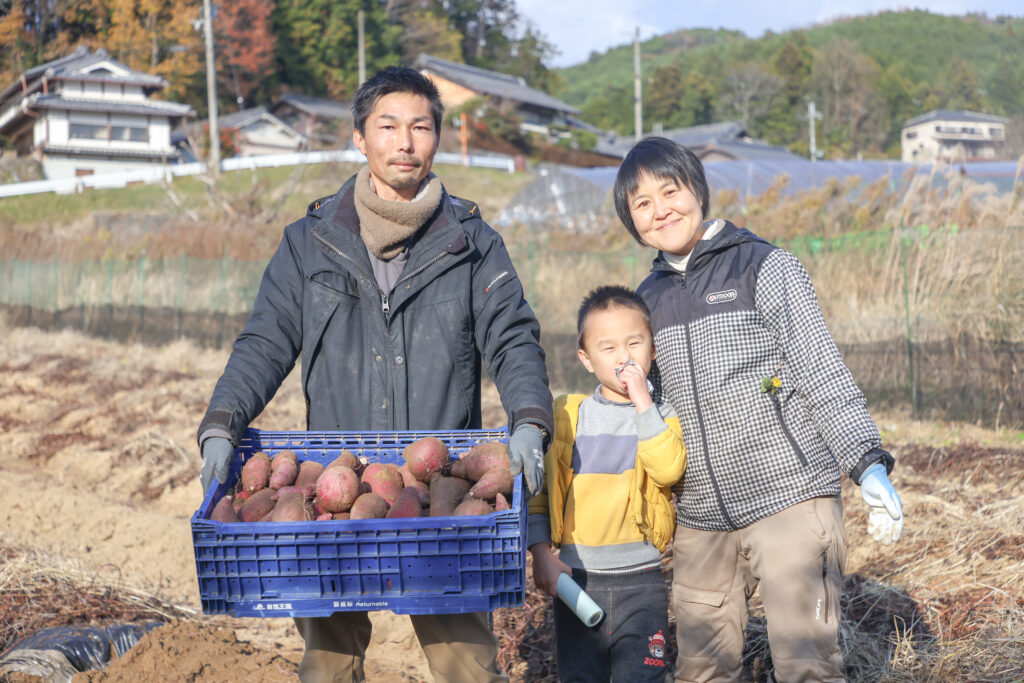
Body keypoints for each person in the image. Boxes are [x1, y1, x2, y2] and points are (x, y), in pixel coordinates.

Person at [196, 66, 554, 683]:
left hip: (439, 490)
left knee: (467, 664)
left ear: (437, 139)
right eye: (388, 126)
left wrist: (528, 420)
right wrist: (223, 422)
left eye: (420, 126)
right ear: (361, 138)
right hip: (334, 485)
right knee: (328, 665)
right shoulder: (309, 243)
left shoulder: (473, 244)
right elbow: (264, 341)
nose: (405, 141)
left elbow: (514, 338)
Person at [612, 137, 905, 683]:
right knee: (701, 667)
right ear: (632, 223)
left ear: (697, 189)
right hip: (698, 515)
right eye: (642, 205)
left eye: (669, 192)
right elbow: (639, 403)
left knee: (807, 664)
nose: (660, 211)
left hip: (788, 495)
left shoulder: (764, 266)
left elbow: (820, 368)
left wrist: (866, 463)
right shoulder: (645, 299)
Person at [528, 285, 686, 682]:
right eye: (609, 348)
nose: (624, 357)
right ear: (585, 358)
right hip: (578, 580)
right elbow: (540, 495)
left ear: (652, 349)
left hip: (642, 581)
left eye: (635, 343)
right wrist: (541, 552)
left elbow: (668, 471)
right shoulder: (568, 415)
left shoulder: (662, 416)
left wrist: (642, 403)